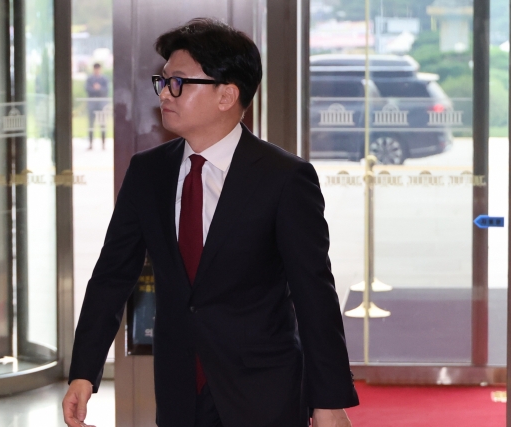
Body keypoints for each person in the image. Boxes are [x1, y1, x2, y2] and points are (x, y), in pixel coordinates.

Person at [63, 18, 359, 427]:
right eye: (163, 81)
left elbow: (314, 294)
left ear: (227, 95)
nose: (165, 92)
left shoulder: (284, 178)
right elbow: (113, 275)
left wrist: (327, 400)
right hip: (178, 386)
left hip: (264, 387)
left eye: (179, 82)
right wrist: (84, 372)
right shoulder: (148, 173)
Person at [85, 63, 109, 150]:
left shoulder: (104, 79)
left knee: (103, 124)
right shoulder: (90, 79)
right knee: (91, 125)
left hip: (101, 105)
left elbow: (106, 90)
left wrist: (98, 88)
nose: (97, 70)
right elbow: (87, 89)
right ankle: (90, 143)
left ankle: (103, 144)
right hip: (92, 105)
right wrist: (95, 89)